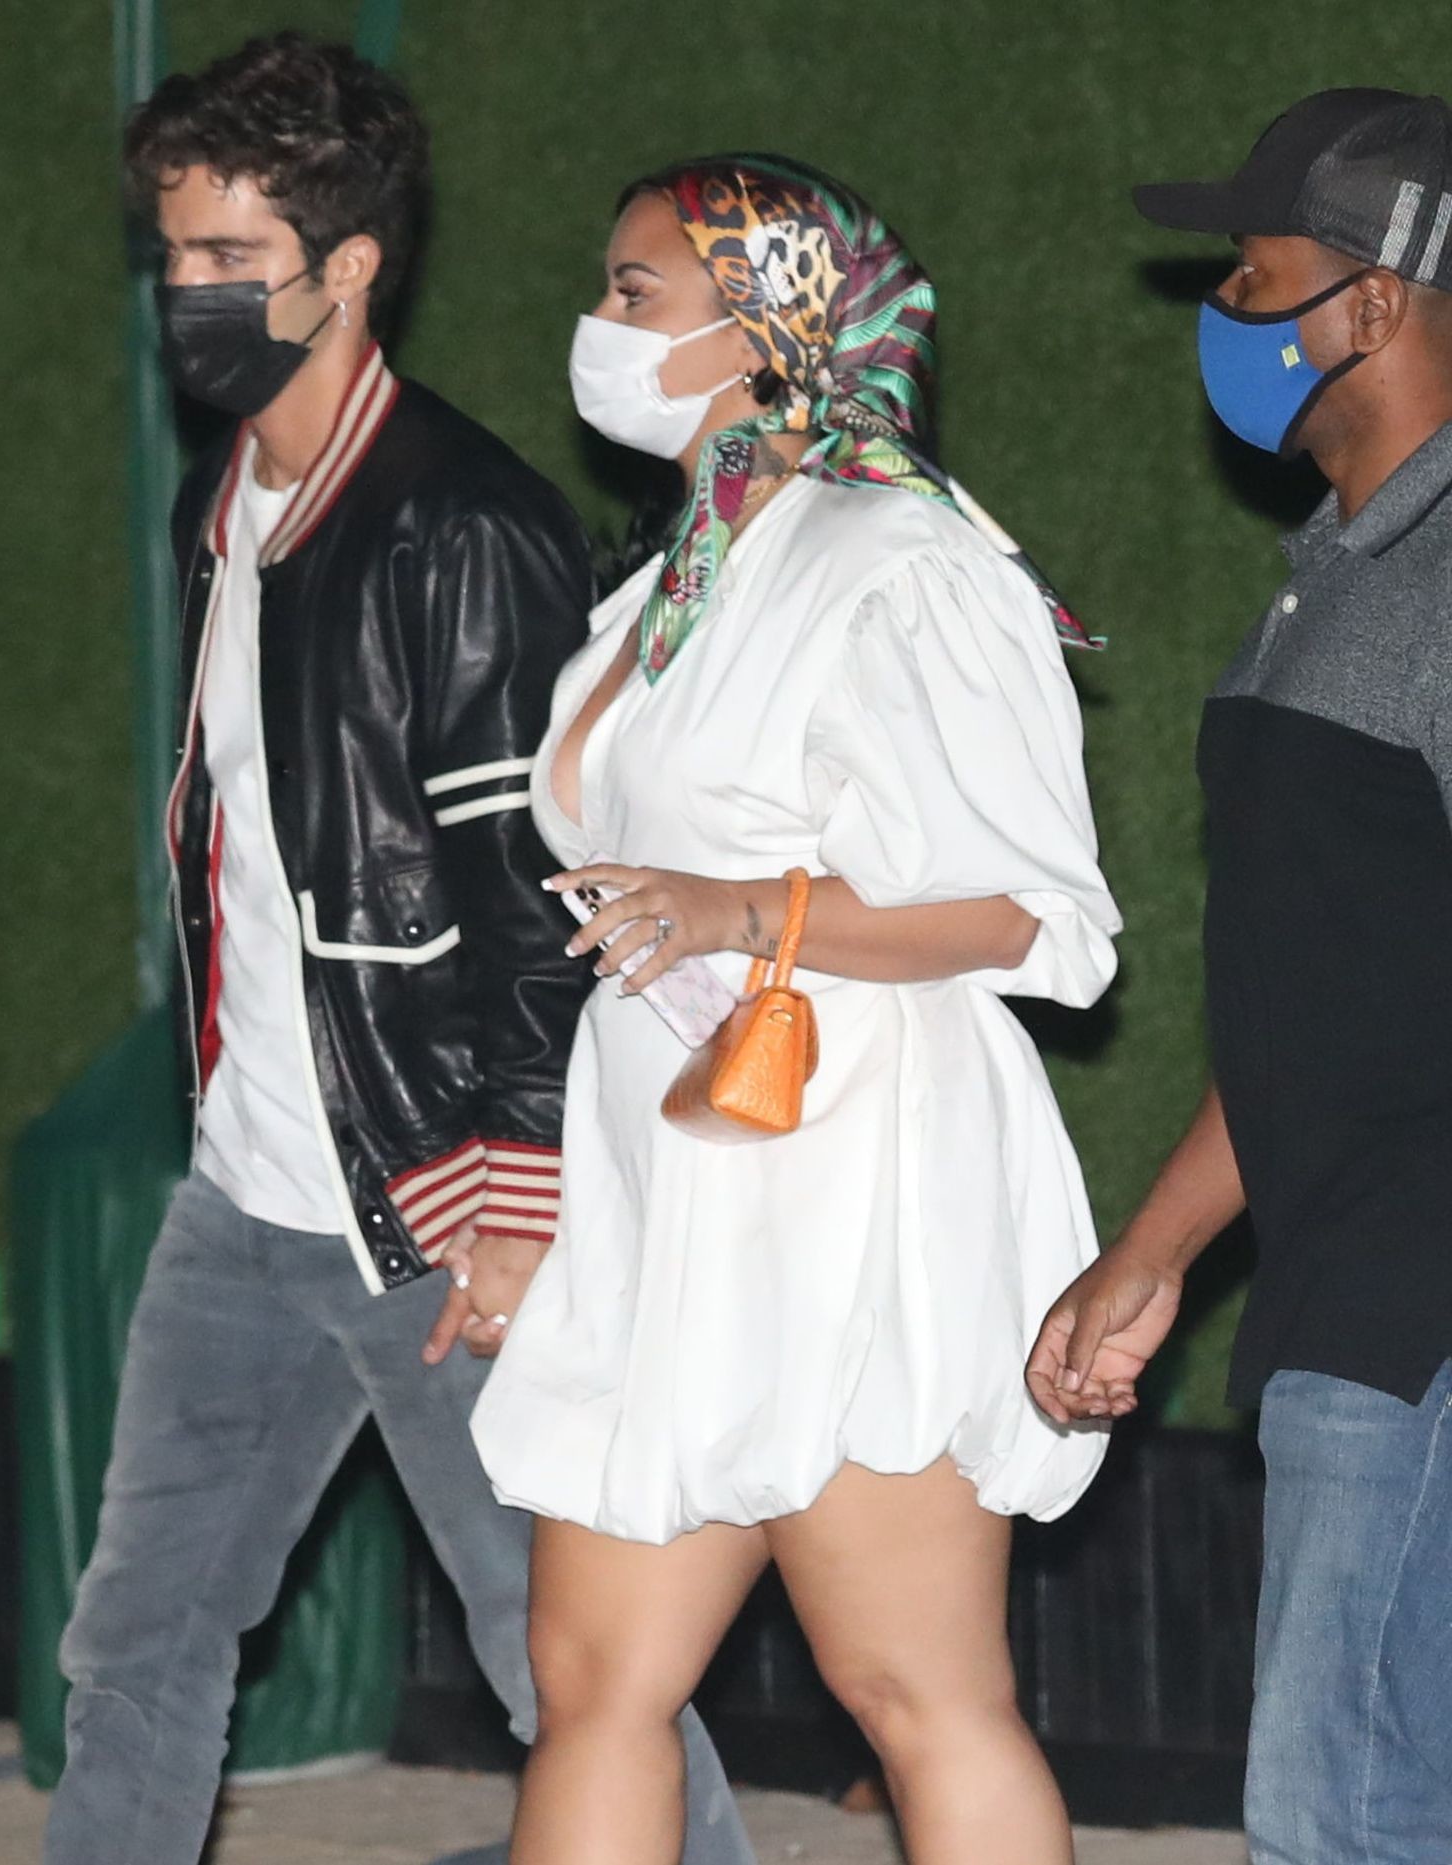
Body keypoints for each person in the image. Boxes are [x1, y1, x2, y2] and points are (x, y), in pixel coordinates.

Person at [43, 35, 755, 1865]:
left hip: (439, 1196)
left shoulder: (462, 522)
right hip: (246, 1192)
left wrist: (521, 1197)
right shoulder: (222, 506)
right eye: (173, 254)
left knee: (571, 1660)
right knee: (137, 1635)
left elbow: (540, 895)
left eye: (230, 257)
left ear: (348, 266)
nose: (189, 291)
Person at [443, 154, 1121, 1865]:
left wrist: (747, 908)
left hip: (858, 1178)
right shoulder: (672, 579)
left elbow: (1035, 914)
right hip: (666, 1177)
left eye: (635, 293)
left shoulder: (901, 557)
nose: (598, 325)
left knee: (915, 1685)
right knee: (592, 1675)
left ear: (763, 327)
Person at [1027, 88, 1452, 1863]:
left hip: (1415, 1305)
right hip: (1340, 1280)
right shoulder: (1335, 572)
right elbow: (1322, 1005)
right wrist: (1158, 1249)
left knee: (1337, 1811)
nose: (1224, 310)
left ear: (1372, 301)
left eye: (1253, 277)